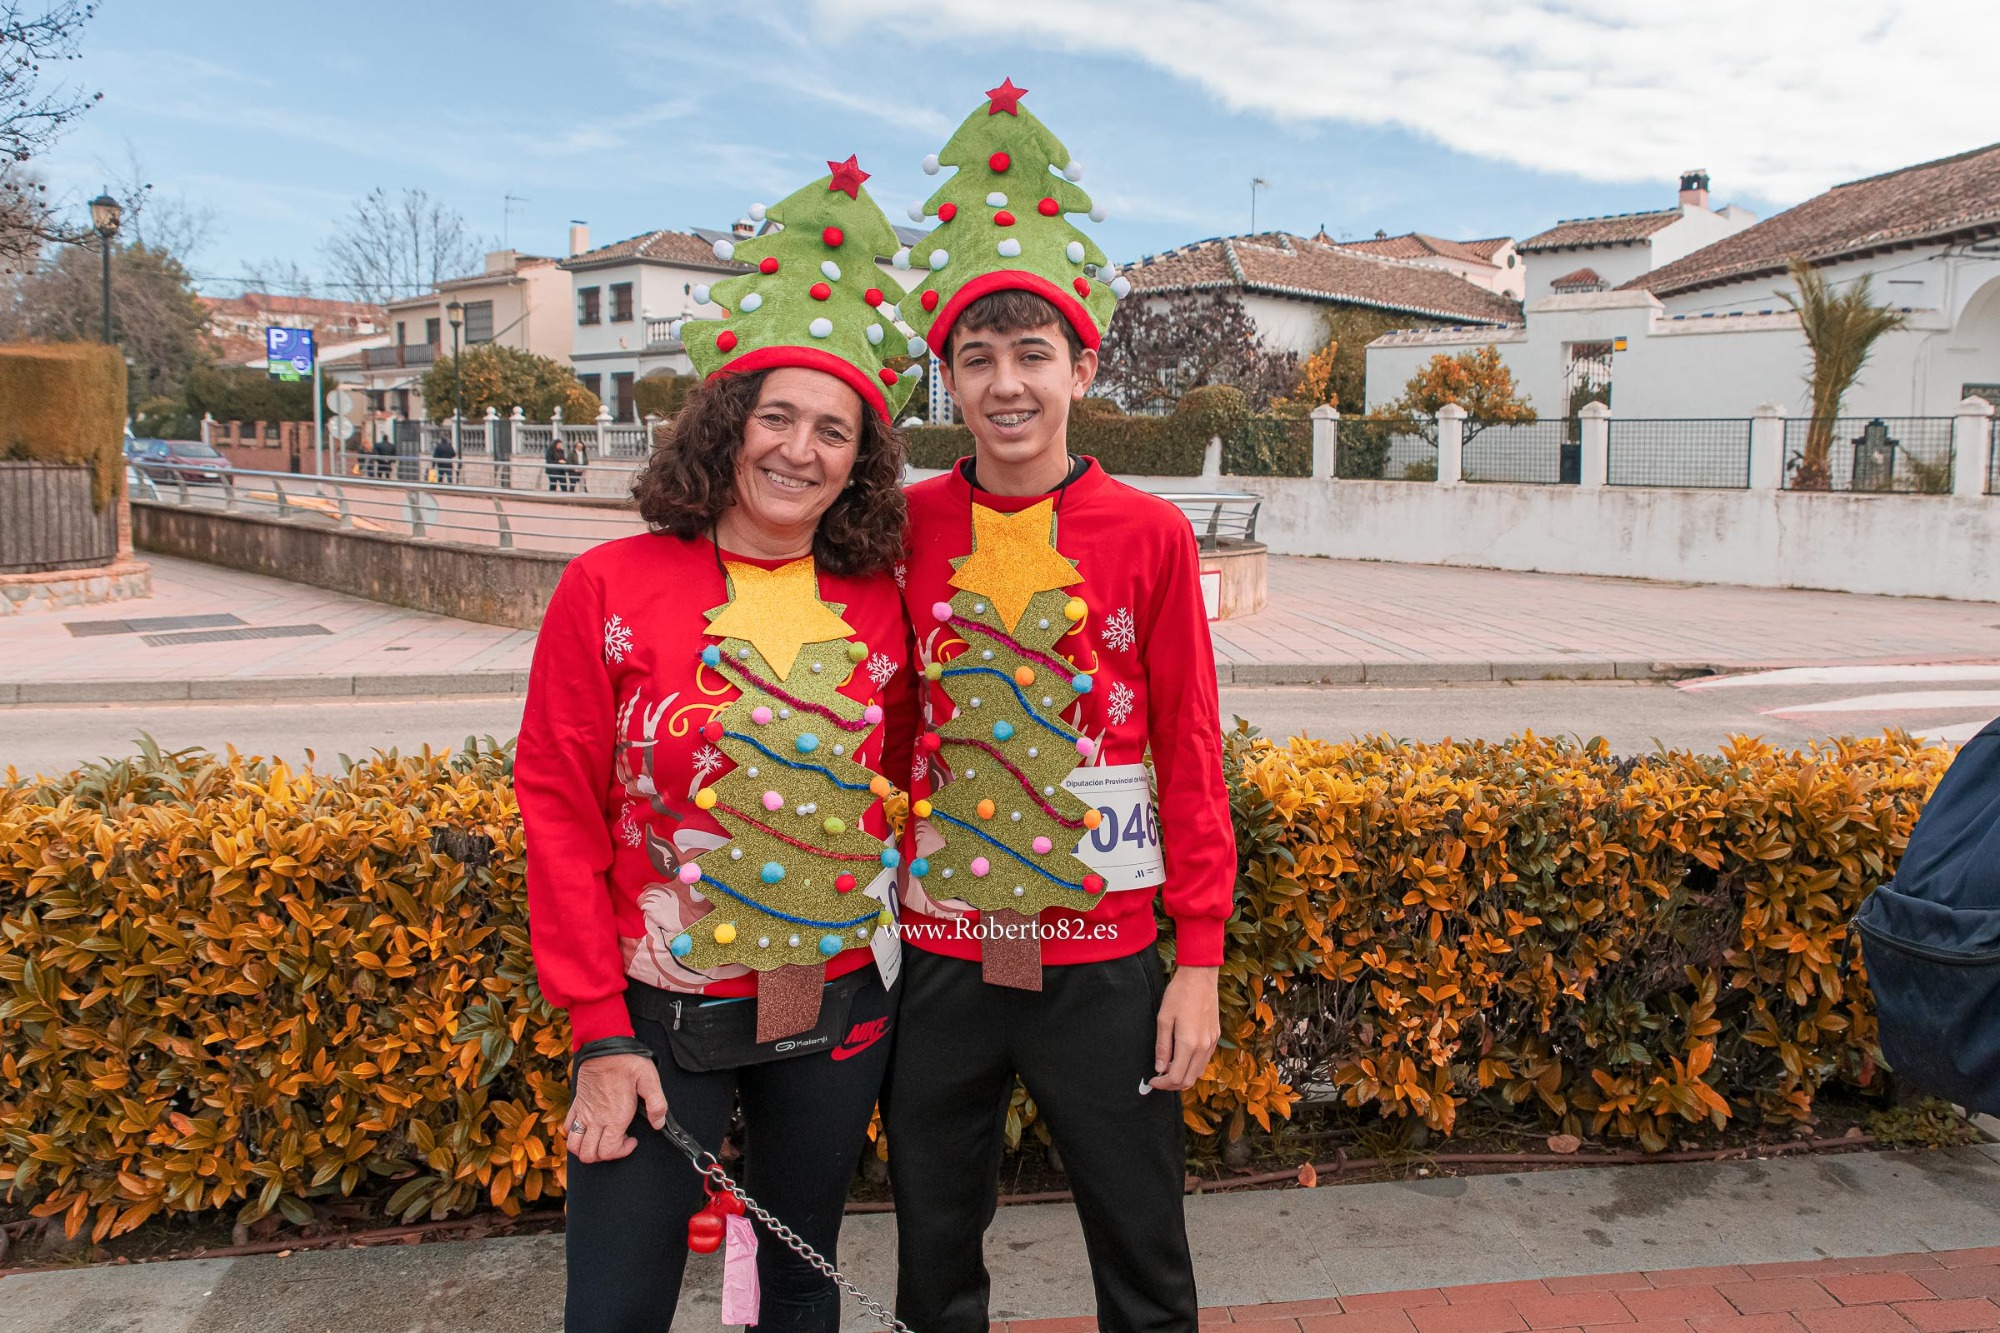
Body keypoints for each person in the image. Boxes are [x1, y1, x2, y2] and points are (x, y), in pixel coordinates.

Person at [515, 154, 922, 1333]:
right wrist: (597, 1028)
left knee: (799, 1280)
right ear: (727, 425)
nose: (799, 449)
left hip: (828, 997)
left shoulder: (876, 599)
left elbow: (896, 775)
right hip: (654, 1018)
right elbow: (557, 806)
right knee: (615, 1304)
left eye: (833, 430)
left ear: (859, 460)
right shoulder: (609, 584)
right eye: (776, 417)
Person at [885, 82, 1233, 1333]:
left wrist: (1196, 961)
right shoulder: (904, 526)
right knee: (932, 1246)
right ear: (949, 379)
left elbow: (1188, 751)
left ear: (1081, 368)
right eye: (977, 360)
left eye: (1032, 355)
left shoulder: (1145, 532)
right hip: (943, 951)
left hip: (1102, 960)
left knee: (1141, 1248)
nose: (1006, 384)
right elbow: (880, 726)